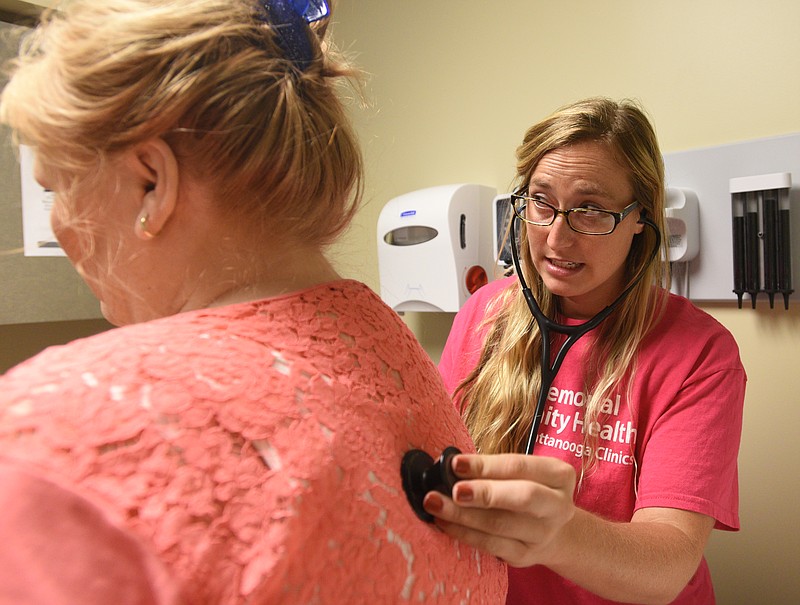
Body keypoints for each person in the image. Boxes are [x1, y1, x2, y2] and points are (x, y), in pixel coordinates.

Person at [0, 1, 507, 603]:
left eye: (57, 188)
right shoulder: (399, 366)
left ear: (150, 182)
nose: (58, 226)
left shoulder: (54, 439)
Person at [426, 98, 746, 605]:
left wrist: (560, 533)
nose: (556, 236)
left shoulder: (701, 354)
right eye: (541, 201)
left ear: (641, 217)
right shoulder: (483, 313)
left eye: (591, 209)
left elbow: (667, 565)